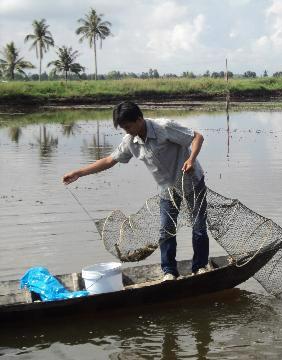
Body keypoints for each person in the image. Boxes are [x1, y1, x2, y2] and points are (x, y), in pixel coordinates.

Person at [62, 101, 209, 281]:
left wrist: (191, 159)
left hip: (191, 181)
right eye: (123, 128)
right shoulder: (130, 141)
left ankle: (200, 267)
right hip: (167, 189)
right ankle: (169, 271)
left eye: (128, 126)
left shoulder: (164, 127)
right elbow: (110, 160)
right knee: (165, 230)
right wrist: (79, 173)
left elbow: (197, 137)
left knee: (199, 226)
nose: (127, 130)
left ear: (139, 119)